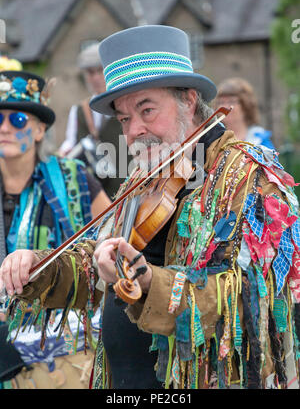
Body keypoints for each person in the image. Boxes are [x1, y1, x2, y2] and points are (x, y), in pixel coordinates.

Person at [0, 26, 299, 390]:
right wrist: (42, 268)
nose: (135, 131)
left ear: (189, 100)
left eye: (146, 110)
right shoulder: (143, 176)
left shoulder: (251, 177)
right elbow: (99, 259)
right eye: (125, 118)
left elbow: (253, 300)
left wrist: (147, 282)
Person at [0, 65, 111, 389]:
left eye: (17, 120)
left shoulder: (74, 177)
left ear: (38, 131)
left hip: (64, 354)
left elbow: (113, 236)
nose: (5, 128)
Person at [59, 42, 130, 199]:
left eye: (101, 71)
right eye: (90, 73)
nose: (96, 78)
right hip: (96, 194)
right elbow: (70, 143)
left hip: (129, 190)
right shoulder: (78, 110)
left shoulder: (128, 106)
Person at [213, 77, 275, 149]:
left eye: (231, 101)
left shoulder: (260, 141)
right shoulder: (211, 137)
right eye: (221, 102)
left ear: (246, 106)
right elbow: (199, 159)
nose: (225, 106)